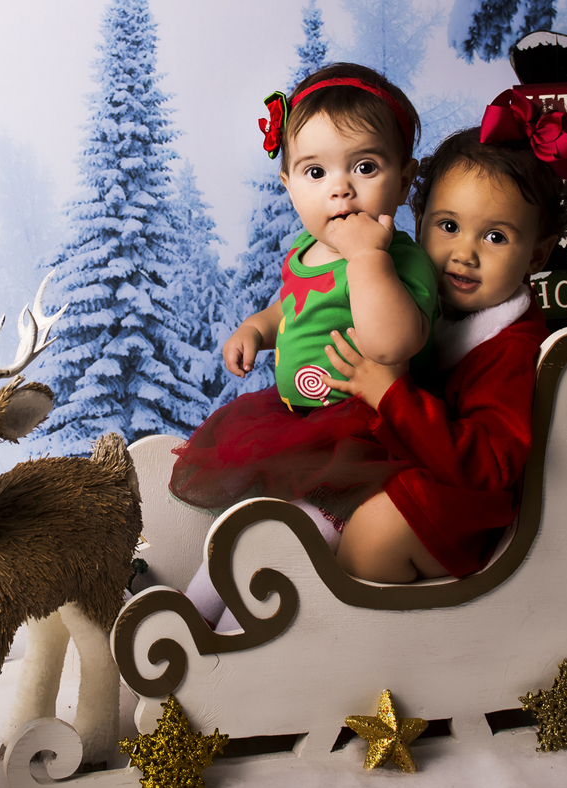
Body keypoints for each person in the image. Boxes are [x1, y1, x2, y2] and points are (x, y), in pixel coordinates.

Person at [323, 89, 567, 583]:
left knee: (378, 529)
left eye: (496, 236)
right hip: (402, 469)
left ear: (536, 257)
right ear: (418, 224)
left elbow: (486, 467)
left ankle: (361, 636)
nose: (465, 252)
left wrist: (392, 395)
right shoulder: (411, 300)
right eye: (448, 225)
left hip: (467, 516)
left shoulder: (508, 349)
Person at [169, 63, 438, 518]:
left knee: (320, 523)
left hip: (364, 429)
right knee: (260, 514)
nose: (341, 188)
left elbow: (394, 342)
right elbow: (291, 308)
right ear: (288, 187)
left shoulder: (399, 259)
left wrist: (367, 259)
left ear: (404, 182)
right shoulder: (304, 249)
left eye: (365, 167)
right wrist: (256, 329)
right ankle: (214, 585)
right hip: (294, 420)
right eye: (315, 172)